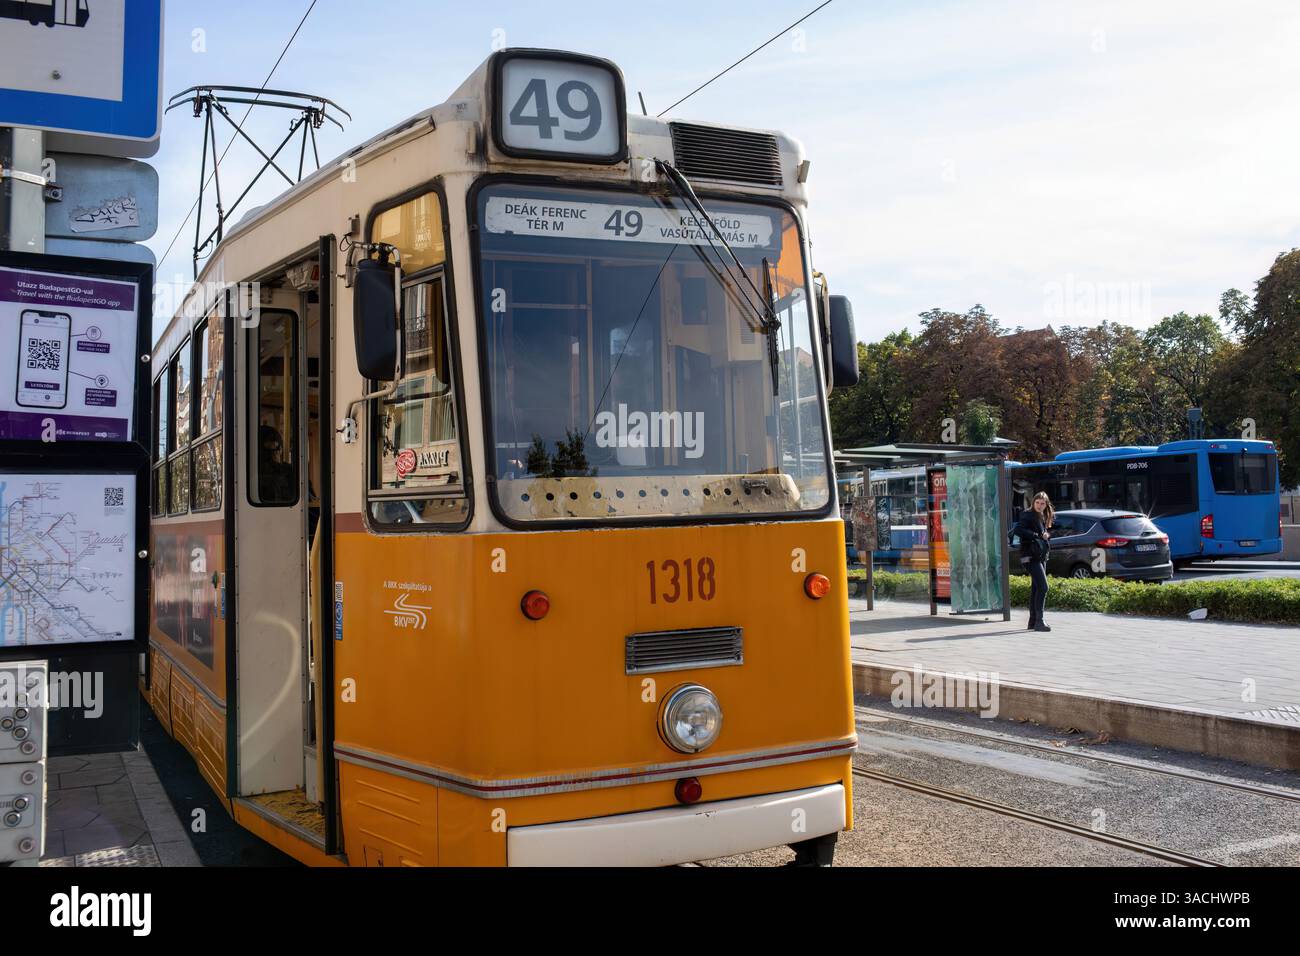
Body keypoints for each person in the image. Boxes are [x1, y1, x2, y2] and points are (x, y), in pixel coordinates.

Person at [1016, 491, 1054, 632]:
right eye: (1037, 502)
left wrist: (1045, 535)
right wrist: (1037, 535)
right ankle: (1039, 621)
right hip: (1030, 556)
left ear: (1046, 504)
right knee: (1043, 587)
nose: (1039, 505)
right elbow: (1018, 530)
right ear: (1033, 503)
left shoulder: (1042, 516)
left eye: (1042, 503)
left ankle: (1033, 622)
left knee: (1036, 588)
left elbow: (1041, 535)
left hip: (1040, 556)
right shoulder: (1028, 514)